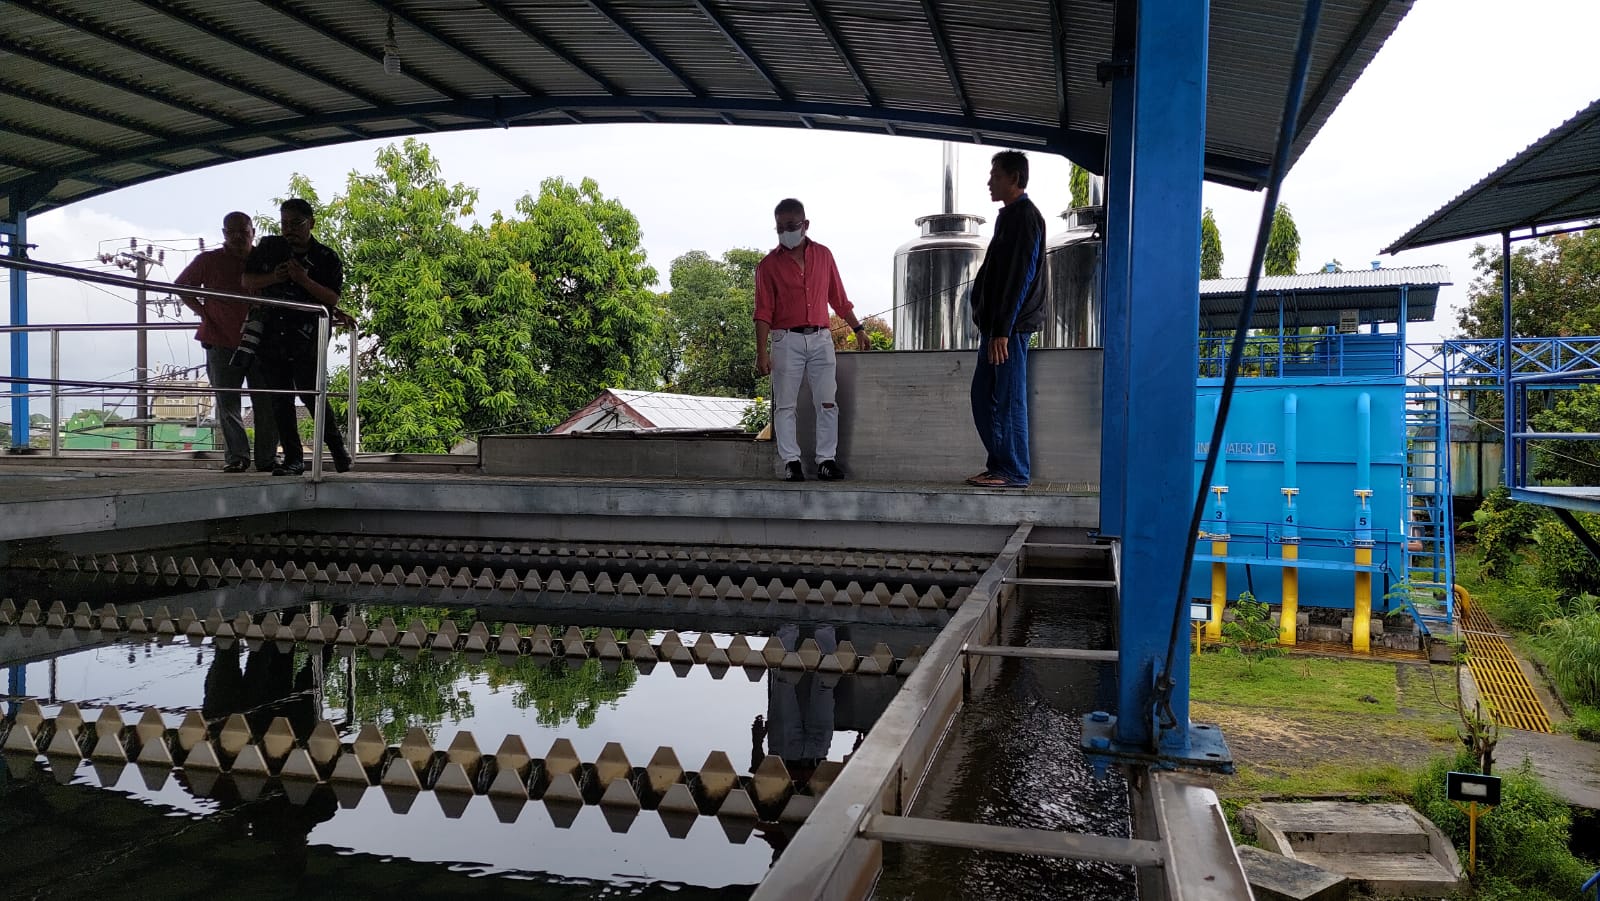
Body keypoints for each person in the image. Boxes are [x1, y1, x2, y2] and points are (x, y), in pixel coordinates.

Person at [753, 199, 869, 482]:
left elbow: (838, 298)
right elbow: (763, 312)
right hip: (785, 339)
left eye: (791, 226)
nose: (785, 232)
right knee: (785, 404)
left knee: (827, 401)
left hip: (821, 338)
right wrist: (761, 353)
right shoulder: (768, 265)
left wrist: (858, 328)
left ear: (805, 225)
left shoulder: (824, 255)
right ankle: (791, 461)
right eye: (780, 228)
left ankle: (826, 461)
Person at [242, 199, 354, 476]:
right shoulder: (269, 248)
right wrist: (274, 278)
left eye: (295, 224)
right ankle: (293, 458)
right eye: (284, 223)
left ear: (311, 223)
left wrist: (303, 279)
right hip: (270, 335)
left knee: (312, 394)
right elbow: (247, 281)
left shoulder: (327, 257)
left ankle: (338, 450)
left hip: (308, 336)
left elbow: (332, 297)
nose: (288, 229)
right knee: (280, 398)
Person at [174, 212, 278, 473]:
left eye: (242, 231)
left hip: (262, 341)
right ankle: (237, 457)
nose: (237, 236)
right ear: (223, 234)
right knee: (227, 402)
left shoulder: (266, 258)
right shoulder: (208, 260)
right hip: (220, 339)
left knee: (267, 402)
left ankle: (267, 458)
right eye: (231, 232)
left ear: (252, 231)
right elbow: (182, 286)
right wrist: (204, 313)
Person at [967, 151, 1046, 489]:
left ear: (1014, 178)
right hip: (996, 328)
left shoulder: (1026, 217)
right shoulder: (1007, 217)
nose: (989, 181)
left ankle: (1014, 470)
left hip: (1010, 329)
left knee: (1009, 398)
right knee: (982, 395)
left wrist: (1002, 330)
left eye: (995, 175)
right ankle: (999, 464)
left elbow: (1019, 277)